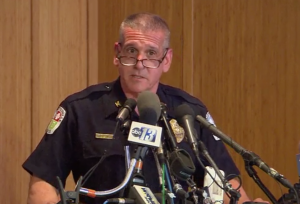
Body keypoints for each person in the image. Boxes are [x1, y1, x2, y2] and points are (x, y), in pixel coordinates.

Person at [23, 13, 267, 204]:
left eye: (151, 54)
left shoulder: (189, 112)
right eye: (131, 51)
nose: (140, 64)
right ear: (117, 54)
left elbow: (226, 183)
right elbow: (43, 185)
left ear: (166, 60)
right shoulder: (81, 109)